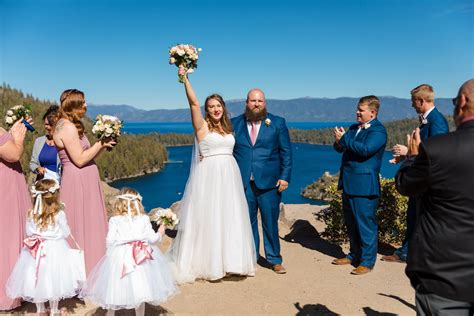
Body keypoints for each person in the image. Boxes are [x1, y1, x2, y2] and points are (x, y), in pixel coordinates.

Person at [395, 79, 474, 315]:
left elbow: (406, 184)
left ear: (461, 102)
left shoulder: (440, 146)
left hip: (445, 276)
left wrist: (412, 157)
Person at [168, 76, 256, 283]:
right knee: (210, 216)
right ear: (206, 110)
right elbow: (193, 103)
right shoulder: (201, 127)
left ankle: (232, 262)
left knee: (230, 216)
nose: (215, 109)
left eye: (218, 105)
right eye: (211, 107)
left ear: (223, 108)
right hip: (210, 176)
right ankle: (211, 264)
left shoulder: (228, 128)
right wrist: (186, 79)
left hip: (229, 175)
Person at [81, 188, 178, 316]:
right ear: (138, 202)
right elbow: (153, 239)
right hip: (140, 257)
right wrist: (161, 230)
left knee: (114, 289)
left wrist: (111, 258)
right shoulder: (143, 219)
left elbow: (109, 241)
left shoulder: (114, 220)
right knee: (140, 289)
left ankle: (111, 313)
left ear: (120, 203)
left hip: (120, 257)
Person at [382, 84, 449, 263]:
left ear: (421, 101)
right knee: (413, 216)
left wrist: (409, 152)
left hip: (428, 182)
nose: (412, 105)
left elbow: (437, 154)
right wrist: (404, 158)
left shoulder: (437, 122)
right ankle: (406, 252)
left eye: (413, 101)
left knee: (421, 218)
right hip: (420, 180)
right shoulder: (427, 120)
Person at [53, 89, 116, 274]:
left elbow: (88, 156)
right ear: (73, 105)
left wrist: (103, 145)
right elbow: (79, 160)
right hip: (78, 180)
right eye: (83, 103)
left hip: (85, 178)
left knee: (89, 222)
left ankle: (92, 269)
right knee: (79, 223)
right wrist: (100, 142)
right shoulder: (67, 127)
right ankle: (82, 273)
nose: (86, 106)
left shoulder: (70, 125)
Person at [232, 88, 292, 274]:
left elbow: (286, 152)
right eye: (252, 101)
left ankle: (275, 259)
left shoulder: (277, 123)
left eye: (260, 101)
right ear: (246, 103)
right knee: (247, 222)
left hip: (269, 183)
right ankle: (251, 256)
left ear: (265, 103)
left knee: (270, 222)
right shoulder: (235, 123)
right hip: (242, 183)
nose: (256, 104)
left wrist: (284, 176)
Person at [6, 179, 84, 315]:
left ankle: (40, 310)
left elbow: (29, 232)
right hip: (56, 249)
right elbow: (65, 233)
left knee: (35, 279)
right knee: (55, 280)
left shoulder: (31, 213)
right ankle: (54, 310)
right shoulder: (59, 213)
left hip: (35, 250)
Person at [331, 95, 387, 275]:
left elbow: (365, 150)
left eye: (361, 110)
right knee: (351, 222)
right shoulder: (354, 128)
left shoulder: (378, 131)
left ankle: (368, 261)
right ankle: (354, 255)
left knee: (365, 224)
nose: (357, 112)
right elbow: (342, 148)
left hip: (364, 185)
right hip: (348, 183)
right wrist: (339, 141)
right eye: (357, 109)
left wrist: (345, 140)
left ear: (373, 112)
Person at [0, 120, 32, 310]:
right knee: (8, 235)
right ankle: (8, 292)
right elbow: (13, 154)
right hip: (5, 187)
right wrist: (18, 139)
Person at [30, 105, 61, 182]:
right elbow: (32, 163)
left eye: (50, 125)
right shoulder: (39, 141)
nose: (47, 127)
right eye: (46, 124)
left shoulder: (63, 142)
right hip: (42, 184)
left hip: (59, 184)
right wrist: (37, 168)